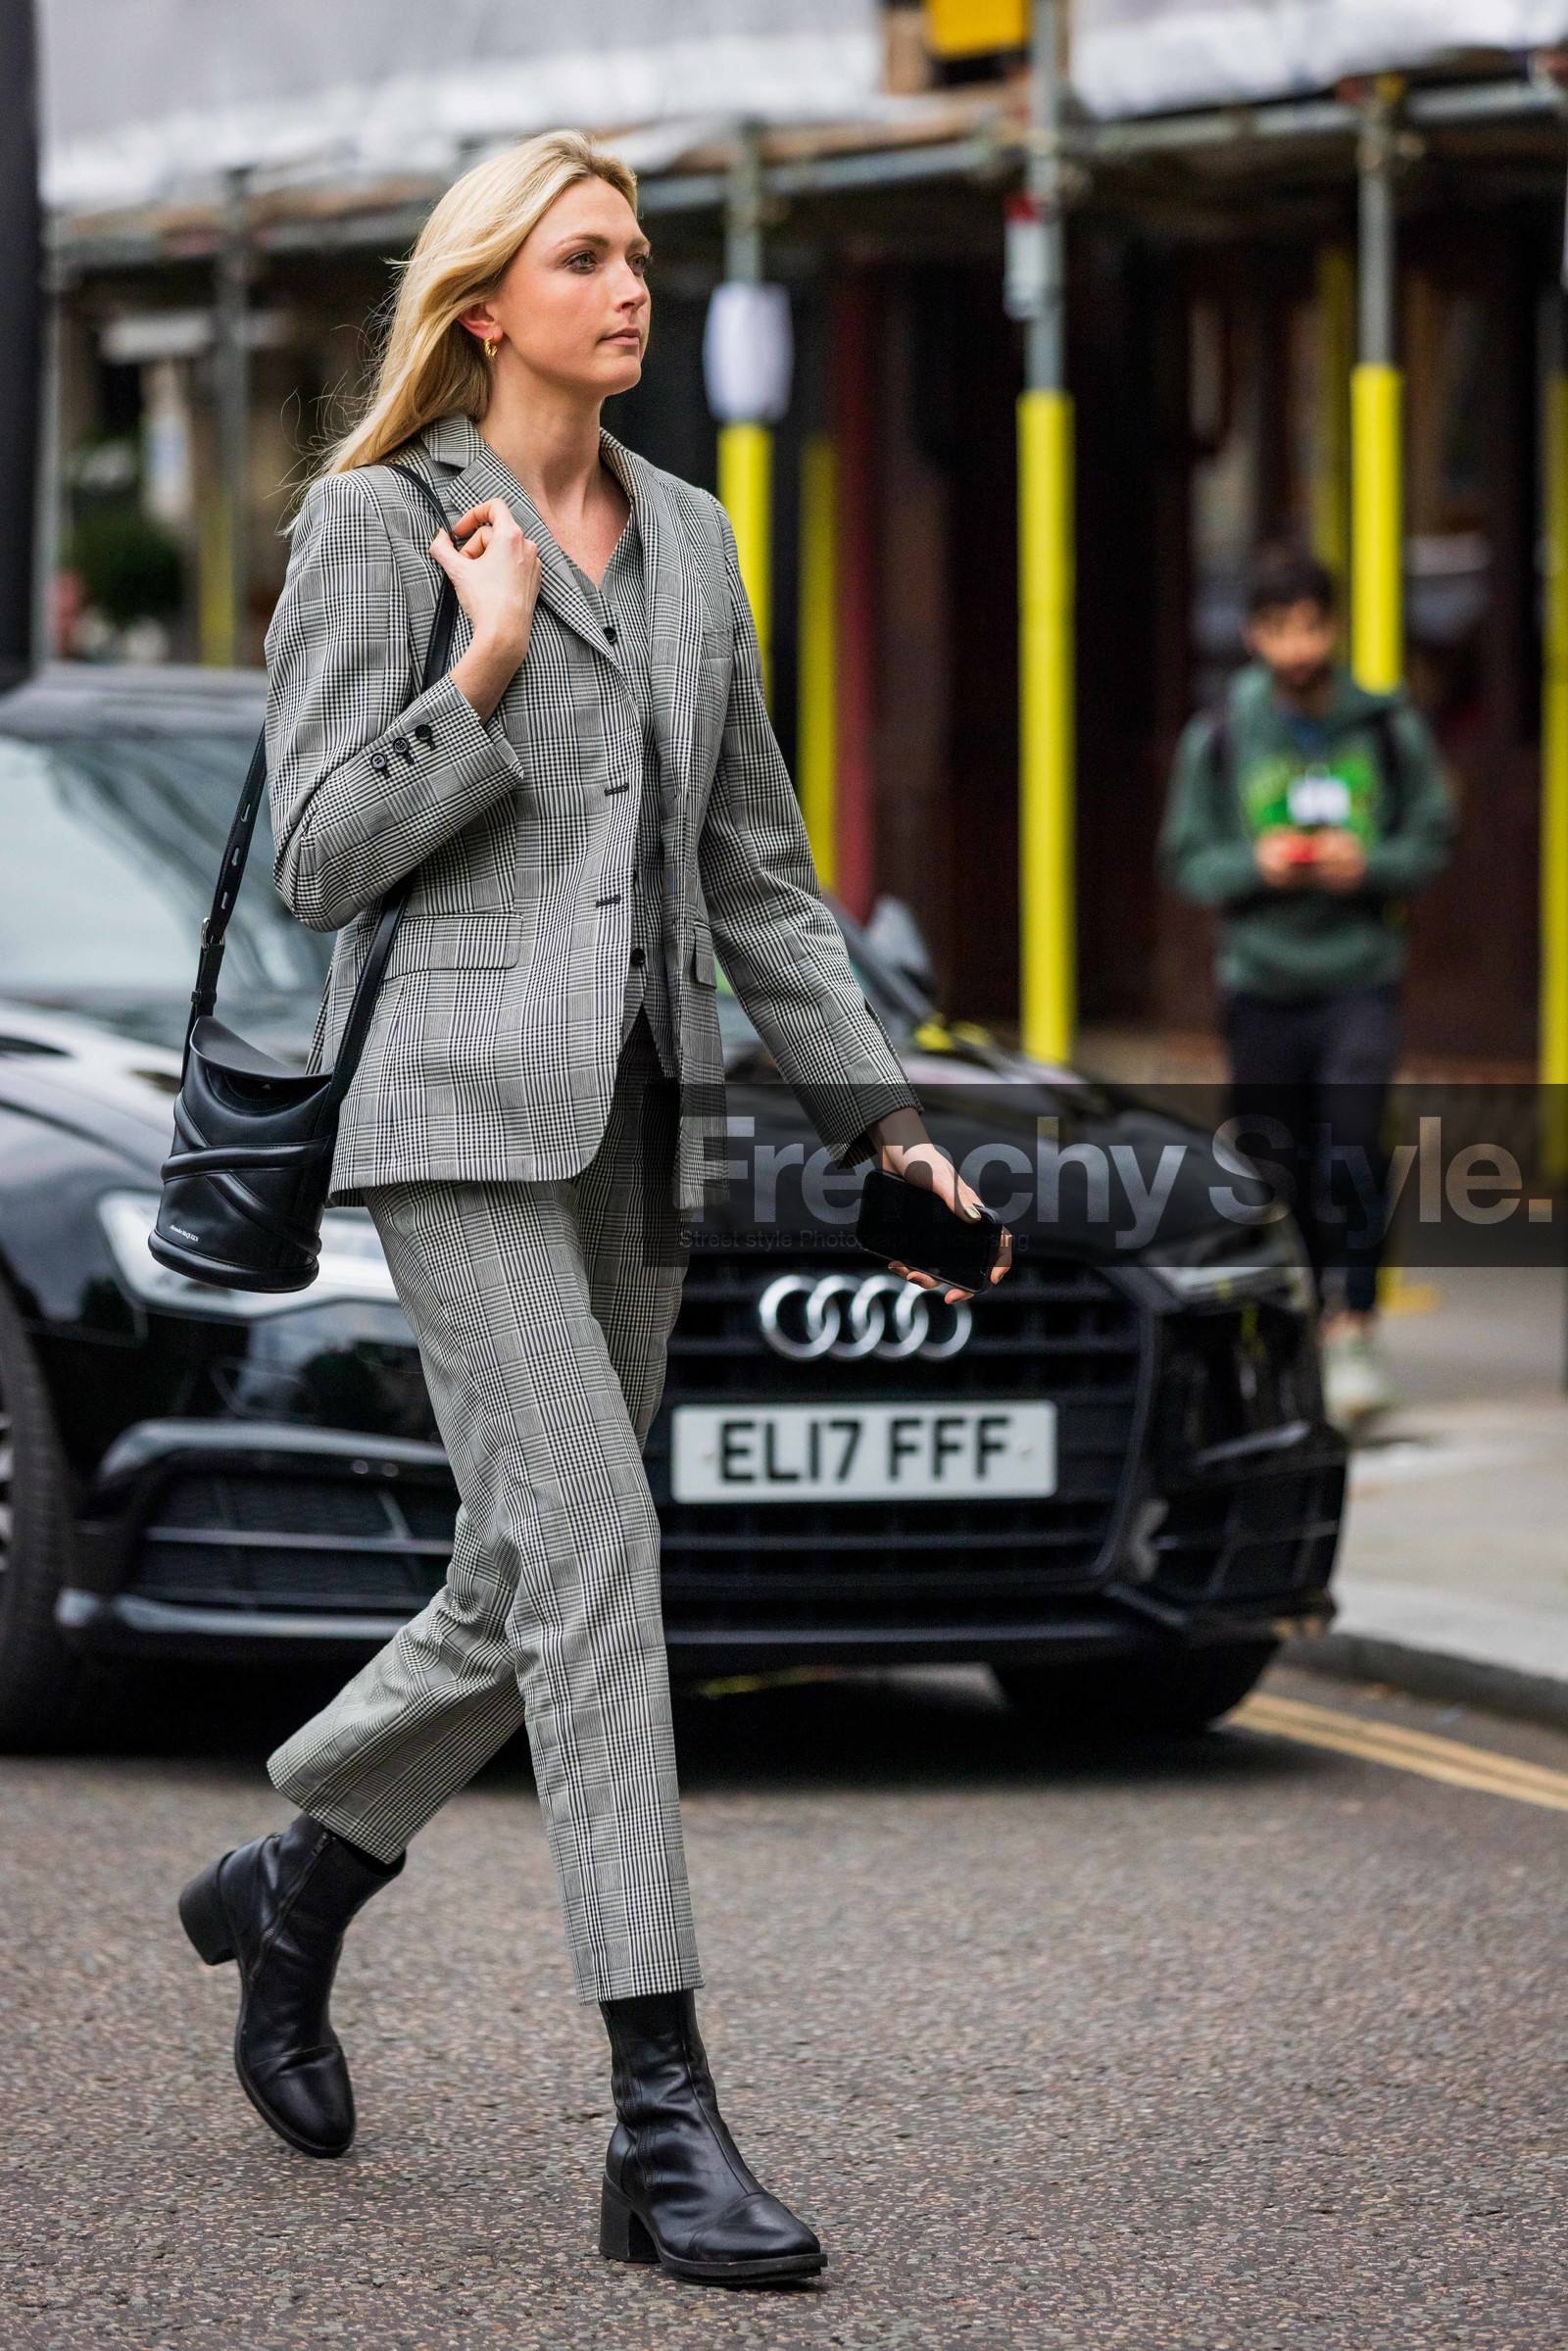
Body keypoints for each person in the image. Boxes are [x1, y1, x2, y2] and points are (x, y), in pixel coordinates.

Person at [176, 131, 1007, 2288]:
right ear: (485, 304)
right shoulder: (379, 525)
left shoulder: (707, 538)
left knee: (521, 1572)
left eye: (640, 255)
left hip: (647, 1117)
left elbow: (755, 875)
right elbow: (315, 857)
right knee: (601, 1557)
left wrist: (879, 1123)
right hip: (452, 1112)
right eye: (586, 257)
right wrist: (481, 661)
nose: (629, 288)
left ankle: (296, 1878)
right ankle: (659, 2112)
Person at [1160, 546, 1455, 1429]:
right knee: (1270, 1159)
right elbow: (1185, 858)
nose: (1297, 644)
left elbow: (1432, 839)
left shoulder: (1386, 725)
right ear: (1253, 635)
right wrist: (1255, 866)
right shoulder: (1218, 735)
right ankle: (1278, 1324)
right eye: (1279, 627)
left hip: (1358, 975)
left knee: (1355, 1142)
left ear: (1334, 625)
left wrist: (1370, 865)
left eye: (1312, 624)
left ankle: (1353, 1321)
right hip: (1260, 979)